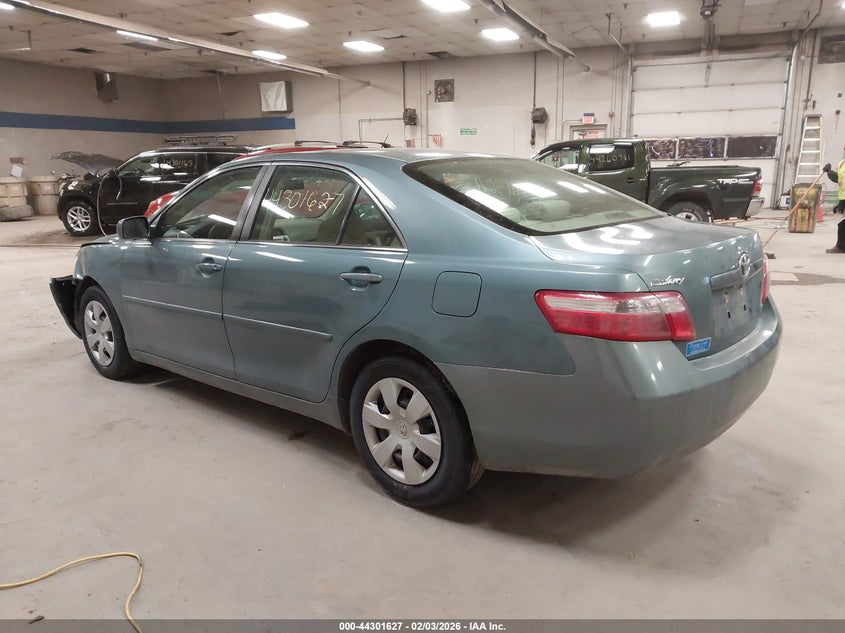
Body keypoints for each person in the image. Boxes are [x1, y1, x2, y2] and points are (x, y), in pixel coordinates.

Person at [823, 148, 845, 254]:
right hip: (842, 197)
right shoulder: (842, 163)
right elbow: (839, 178)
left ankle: (841, 246)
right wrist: (829, 172)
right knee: (842, 223)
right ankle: (841, 246)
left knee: (842, 223)